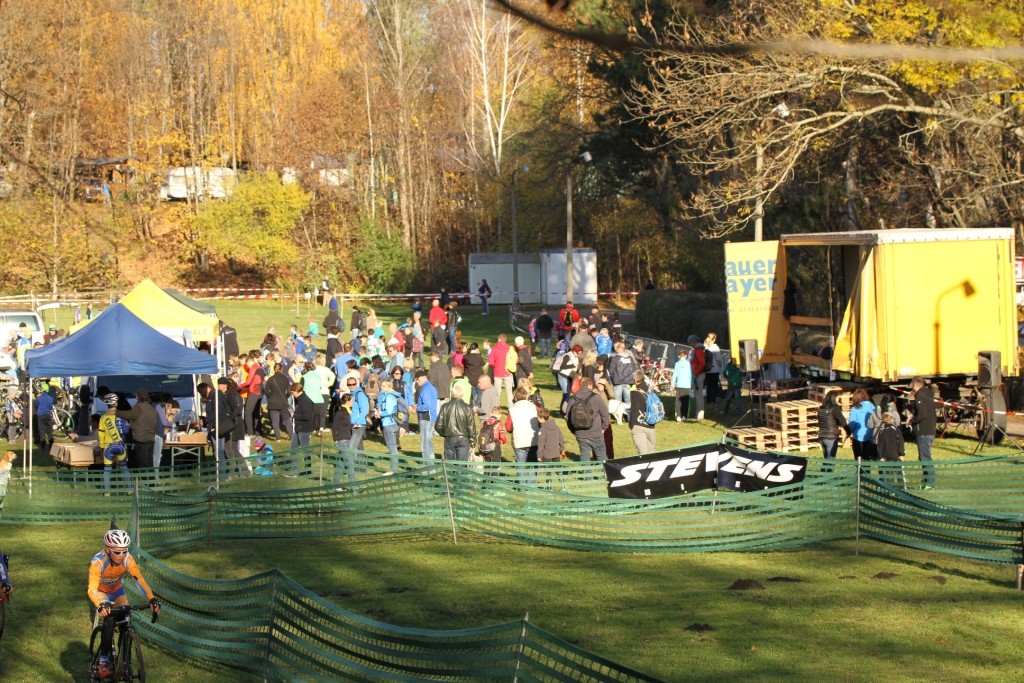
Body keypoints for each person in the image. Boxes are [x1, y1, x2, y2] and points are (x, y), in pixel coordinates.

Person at [88, 529, 160, 680]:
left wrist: (151, 598)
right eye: (117, 552)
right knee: (110, 620)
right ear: (108, 549)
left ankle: (124, 664)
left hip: (118, 592)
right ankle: (103, 662)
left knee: (125, 622)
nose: (121, 556)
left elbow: (138, 579)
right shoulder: (98, 562)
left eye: (124, 551)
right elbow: (92, 588)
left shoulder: (128, 559)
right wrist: (100, 604)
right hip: (102, 594)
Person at [565, 377, 610, 462]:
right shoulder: (596, 397)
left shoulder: (573, 398)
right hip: (596, 431)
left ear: (580, 385)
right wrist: (604, 428)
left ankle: (587, 475)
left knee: (584, 454)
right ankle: (606, 474)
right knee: (601, 454)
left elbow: (568, 418)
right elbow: (605, 414)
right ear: (590, 385)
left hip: (580, 432)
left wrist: (573, 431)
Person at [98, 394, 132, 495]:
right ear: (116, 403)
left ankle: (107, 493)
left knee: (107, 469)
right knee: (124, 468)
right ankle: (129, 490)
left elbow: (101, 434)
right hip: (120, 445)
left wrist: (101, 447)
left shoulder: (103, 418)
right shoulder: (121, 416)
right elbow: (126, 431)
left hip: (108, 446)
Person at [116, 390, 159, 470]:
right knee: (150, 463)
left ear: (138, 397)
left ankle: (144, 481)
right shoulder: (151, 408)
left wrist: (115, 412)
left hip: (141, 438)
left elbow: (129, 415)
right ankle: (151, 481)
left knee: (142, 463)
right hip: (151, 438)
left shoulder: (139, 407)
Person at [433, 383, 476, 461]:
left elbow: (438, 425)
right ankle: (459, 473)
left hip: (449, 438)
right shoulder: (467, 408)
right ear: (462, 394)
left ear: (452, 393)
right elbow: (471, 426)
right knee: (462, 464)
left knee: (449, 463)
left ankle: (449, 473)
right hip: (463, 438)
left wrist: (445, 433)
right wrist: (472, 441)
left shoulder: (445, 407)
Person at [908, 376, 937, 489]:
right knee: (923, 457)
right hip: (929, 430)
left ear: (915, 384)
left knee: (925, 457)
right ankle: (925, 482)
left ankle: (930, 483)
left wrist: (912, 420)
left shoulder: (920, 396)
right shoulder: (928, 395)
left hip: (924, 431)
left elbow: (922, 414)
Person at [817, 390, 850, 469]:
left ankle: (823, 477)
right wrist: (848, 431)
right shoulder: (834, 409)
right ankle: (828, 479)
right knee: (831, 460)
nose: (838, 400)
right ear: (833, 398)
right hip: (831, 436)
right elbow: (843, 421)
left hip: (822, 436)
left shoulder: (821, 408)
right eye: (838, 398)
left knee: (826, 460)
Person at [874, 412, 906, 488]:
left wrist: (880, 456)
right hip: (896, 455)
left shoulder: (882, 431)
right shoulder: (896, 430)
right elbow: (900, 441)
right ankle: (902, 489)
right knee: (899, 474)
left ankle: (890, 489)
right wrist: (901, 454)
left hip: (886, 456)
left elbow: (880, 445)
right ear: (892, 420)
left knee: (888, 474)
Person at [376, 379, 402, 474]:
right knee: (393, 447)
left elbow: (389, 411)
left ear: (389, 387)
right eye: (381, 386)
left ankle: (393, 469)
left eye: (384, 386)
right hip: (392, 423)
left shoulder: (389, 397)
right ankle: (394, 467)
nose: (381, 388)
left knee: (392, 447)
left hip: (389, 424)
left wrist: (380, 414)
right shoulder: (390, 395)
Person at [289, 382, 315, 475]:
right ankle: (294, 470)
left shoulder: (304, 400)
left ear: (296, 391)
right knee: (293, 448)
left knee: (305, 450)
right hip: (299, 428)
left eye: (292, 392)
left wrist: (294, 415)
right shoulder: (301, 399)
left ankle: (308, 470)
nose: (292, 394)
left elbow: (307, 416)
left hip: (304, 429)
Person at [629, 370, 657, 455]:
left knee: (643, 454)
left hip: (639, 426)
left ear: (635, 380)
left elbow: (634, 411)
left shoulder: (636, 394)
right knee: (652, 452)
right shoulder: (650, 391)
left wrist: (631, 425)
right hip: (651, 425)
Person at [331, 393, 356, 487]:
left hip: (347, 439)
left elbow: (345, 424)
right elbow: (334, 427)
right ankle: (354, 487)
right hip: (342, 440)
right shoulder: (340, 412)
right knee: (350, 464)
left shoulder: (347, 411)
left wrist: (354, 426)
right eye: (352, 400)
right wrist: (335, 440)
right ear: (348, 401)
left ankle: (335, 485)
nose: (353, 402)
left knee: (340, 465)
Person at [847, 388, 878, 462]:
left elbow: (852, 423)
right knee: (867, 459)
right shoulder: (871, 406)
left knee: (858, 459)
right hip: (869, 435)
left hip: (858, 436)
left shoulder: (855, 408)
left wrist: (849, 431)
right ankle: (867, 472)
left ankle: (859, 473)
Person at [414, 370, 438, 463]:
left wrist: (416, 409)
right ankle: (431, 466)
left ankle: (428, 467)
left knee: (425, 444)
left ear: (421, 378)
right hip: (430, 418)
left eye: (417, 380)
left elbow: (427, 406)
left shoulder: (426, 388)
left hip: (426, 418)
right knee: (428, 443)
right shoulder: (429, 387)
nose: (417, 382)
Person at [487, 333, 516, 407]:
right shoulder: (509, 348)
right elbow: (515, 359)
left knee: (497, 391)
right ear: (505, 340)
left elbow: (490, 361)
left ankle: (496, 407)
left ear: (499, 339)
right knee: (509, 392)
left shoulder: (495, 348)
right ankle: (511, 407)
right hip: (508, 371)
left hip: (497, 372)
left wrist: (495, 365)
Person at [687, 335, 707, 420]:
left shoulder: (698, 350)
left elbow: (702, 363)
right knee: (697, 394)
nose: (690, 344)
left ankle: (699, 415)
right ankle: (697, 414)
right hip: (697, 374)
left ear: (693, 342)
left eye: (690, 343)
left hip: (699, 374)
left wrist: (696, 373)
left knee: (698, 395)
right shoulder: (698, 349)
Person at [671, 347, 693, 421]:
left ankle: (678, 416)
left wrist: (672, 384)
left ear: (679, 356)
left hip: (679, 384)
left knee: (678, 401)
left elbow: (674, 375)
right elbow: (690, 374)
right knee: (685, 401)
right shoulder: (688, 364)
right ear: (686, 356)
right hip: (687, 385)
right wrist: (691, 383)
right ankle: (684, 416)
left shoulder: (677, 364)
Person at [704, 333, 723, 406]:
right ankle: (713, 400)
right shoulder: (715, 347)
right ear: (714, 339)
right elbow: (718, 359)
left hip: (707, 369)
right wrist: (720, 366)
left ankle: (708, 400)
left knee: (708, 385)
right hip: (714, 369)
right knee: (714, 385)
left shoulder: (705, 346)